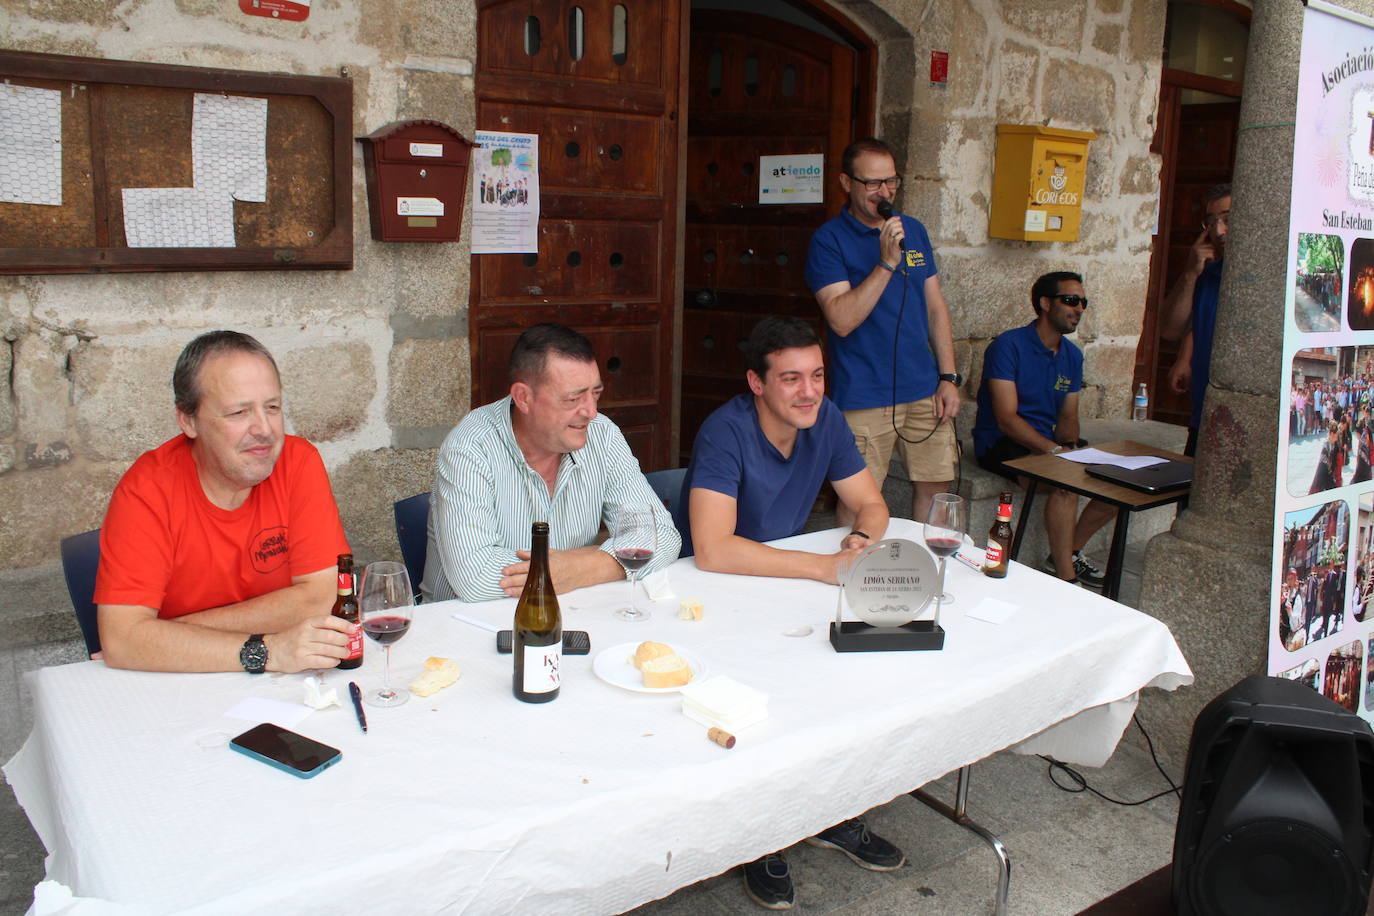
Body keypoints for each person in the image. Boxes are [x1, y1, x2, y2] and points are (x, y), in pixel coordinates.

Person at [676, 316, 896, 910]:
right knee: (759, 709)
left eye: (818, 376)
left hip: (784, 583)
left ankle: (827, 812)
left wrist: (859, 541)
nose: (809, 392)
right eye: (791, 379)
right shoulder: (726, 430)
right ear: (757, 382)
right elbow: (714, 549)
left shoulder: (825, 419)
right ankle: (759, 839)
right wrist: (824, 567)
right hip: (715, 595)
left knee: (836, 686)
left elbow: (871, 504)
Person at [95, 331, 354, 673]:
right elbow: (122, 642)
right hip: (178, 687)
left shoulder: (297, 460)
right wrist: (267, 650)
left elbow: (323, 597)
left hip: (262, 681)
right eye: (238, 412)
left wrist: (164, 637)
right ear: (188, 420)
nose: (264, 429)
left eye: (272, 408)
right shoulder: (147, 489)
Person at [423, 323, 680, 602]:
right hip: (465, 628)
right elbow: (474, 578)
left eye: (595, 393)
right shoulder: (472, 446)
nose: (591, 412)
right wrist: (594, 557)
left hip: (572, 612)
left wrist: (579, 568)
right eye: (573, 398)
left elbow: (662, 538)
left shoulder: (602, 435)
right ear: (524, 397)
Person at [806, 137, 960, 524]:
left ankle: (929, 572)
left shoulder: (914, 231)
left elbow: (935, 308)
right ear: (846, 183)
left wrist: (948, 377)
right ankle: (853, 574)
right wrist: (885, 263)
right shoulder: (829, 241)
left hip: (925, 388)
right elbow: (840, 320)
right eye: (873, 183)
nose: (884, 192)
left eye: (891, 181)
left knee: (937, 486)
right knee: (861, 496)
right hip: (865, 393)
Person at [971, 272, 1117, 587]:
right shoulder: (1009, 346)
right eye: (1070, 300)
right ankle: (1066, 579)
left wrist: (1072, 447)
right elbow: (1006, 419)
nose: (1079, 308)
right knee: (1065, 483)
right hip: (1001, 441)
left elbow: (1068, 418)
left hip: (1046, 442)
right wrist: (1055, 452)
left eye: (1083, 302)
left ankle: (1069, 551)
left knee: (1116, 480)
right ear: (1045, 303)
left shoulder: (1072, 355)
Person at [1163, 183, 1231, 456]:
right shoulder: (1205, 273)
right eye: (1211, 222)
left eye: (1227, 219)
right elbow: (1171, 328)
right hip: (1203, 411)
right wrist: (1191, 273)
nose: (1218, 232)